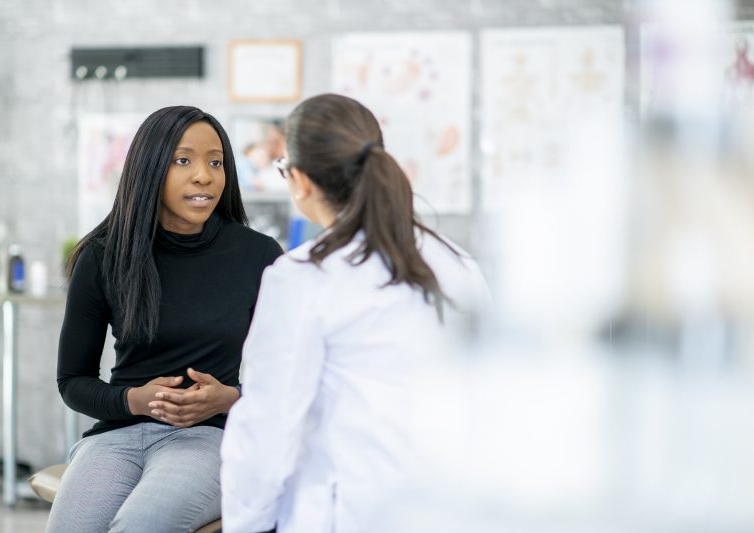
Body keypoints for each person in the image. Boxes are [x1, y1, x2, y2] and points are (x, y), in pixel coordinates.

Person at [220, 94, 488, 533]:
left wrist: (246, 524)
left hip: (350, 513)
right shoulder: (459, 264)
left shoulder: (303, 276)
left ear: (300, 181)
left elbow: (267, 428)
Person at [46, 105, 283, 533]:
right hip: (116, 437)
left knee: (140, 526)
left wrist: (230, 398)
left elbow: (292, 378)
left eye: (216, 162)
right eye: (183, 160)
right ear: (151, 168)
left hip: (208, 438)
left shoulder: (259, 255)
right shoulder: (103, 255)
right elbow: (72, 381)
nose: (204, 176)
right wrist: (134, 400)